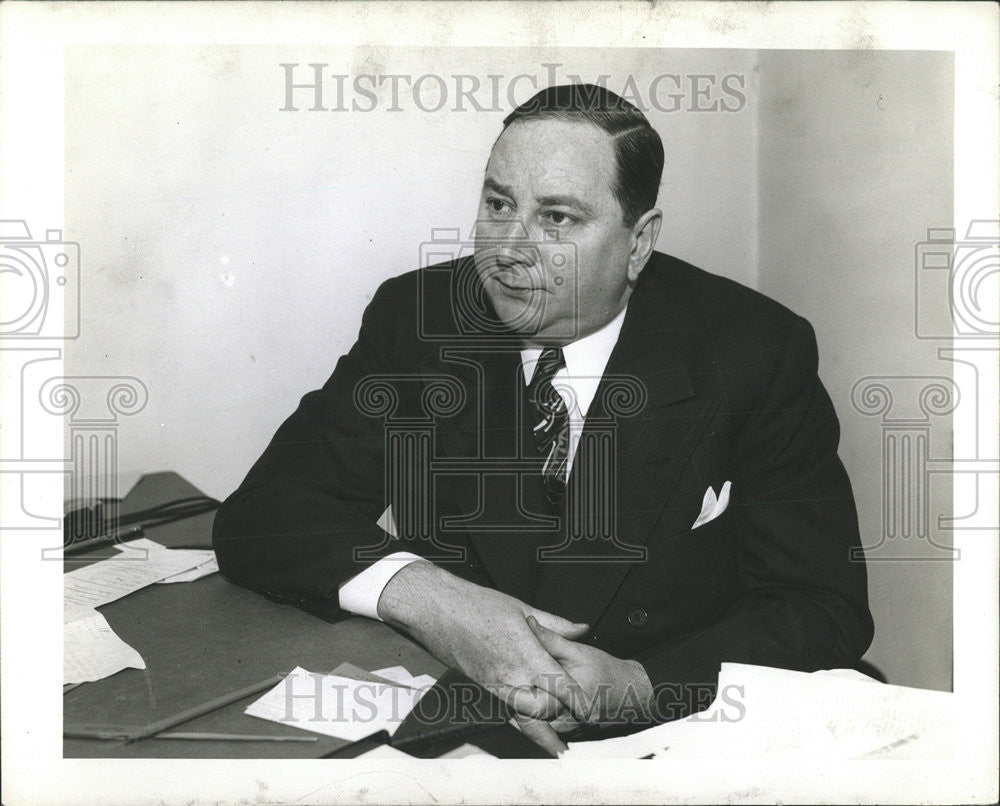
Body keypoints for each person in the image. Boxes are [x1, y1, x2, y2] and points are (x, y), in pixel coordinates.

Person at [212, 84, 873, 755]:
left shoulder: (753, 351)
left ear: (638, 242)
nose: (510, 249)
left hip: (676, 735)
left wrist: (644, 685)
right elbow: (265, 514)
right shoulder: (421, 319)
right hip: (465, 718)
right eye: (499, 205)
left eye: (557, 219)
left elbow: (820, 607)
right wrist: (432, 599)